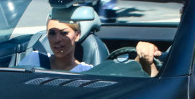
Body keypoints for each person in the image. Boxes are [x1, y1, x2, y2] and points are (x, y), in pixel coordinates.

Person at [19, 12, 160, 76]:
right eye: (52, 33)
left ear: (77, 35)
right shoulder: (34, 59)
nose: (57, 39)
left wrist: (142, 58)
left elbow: (126, 75)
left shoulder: (87, 71)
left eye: (64, 33)